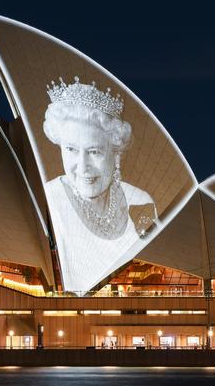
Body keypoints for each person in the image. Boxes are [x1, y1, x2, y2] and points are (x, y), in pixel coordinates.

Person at [43, 77, 157, 292]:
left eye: (94, 152)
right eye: (71, 149)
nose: (83, 166)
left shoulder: (141, 200)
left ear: (115, 152)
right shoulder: (47, 200)